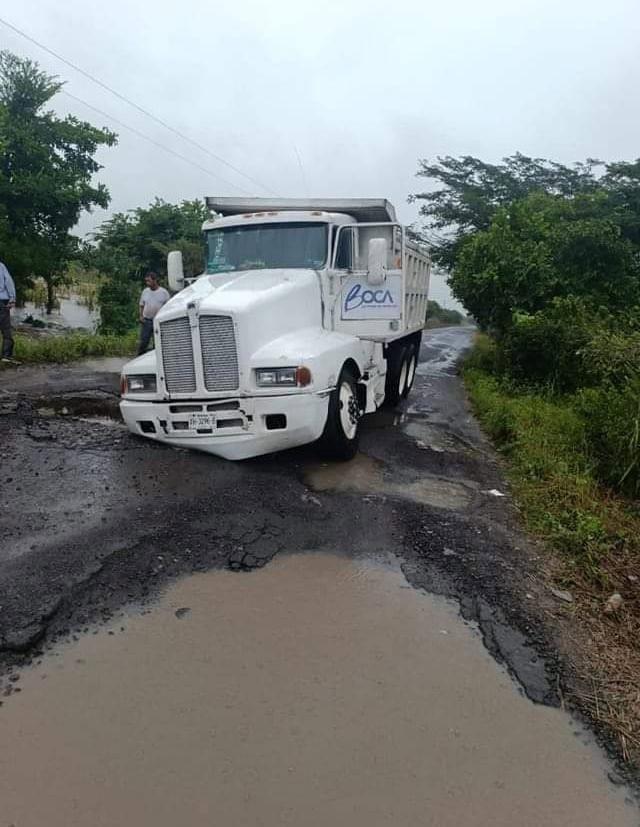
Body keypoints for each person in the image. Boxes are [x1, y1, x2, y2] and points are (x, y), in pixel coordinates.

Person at [138, 271, 170, 355]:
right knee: (144, 341)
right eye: (146, 281)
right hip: (147, 320)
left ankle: (156, 358)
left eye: (149, 281)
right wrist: (141, 316)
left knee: (157, 342)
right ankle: (140, 357)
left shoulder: (164, 292)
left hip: (158, 321)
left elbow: (169, 306)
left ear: (155, 280)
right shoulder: (145, 291)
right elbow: (141, 305)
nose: (147, 283)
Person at [0, 259, 16, 362]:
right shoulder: (1, 266)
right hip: (1, 301)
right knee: (6, 329)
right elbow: (8, 281)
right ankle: (6, 356)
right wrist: (12, 298)